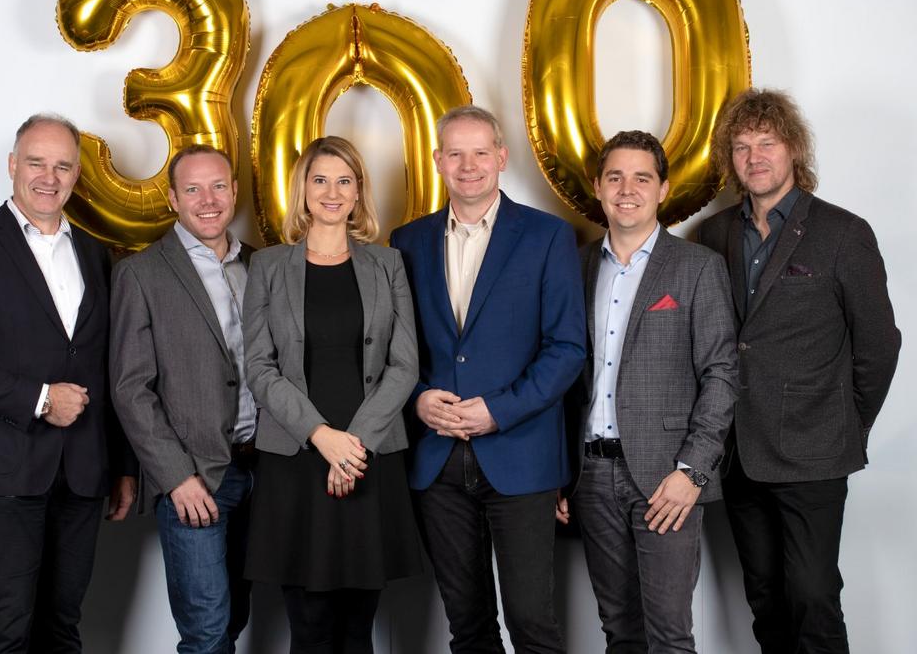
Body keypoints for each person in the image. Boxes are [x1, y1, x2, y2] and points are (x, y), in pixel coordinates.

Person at [0, 113, 137, 653]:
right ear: (13, 165)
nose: (49, 176)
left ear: (76, 175)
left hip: (84, 473)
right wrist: (40, 400)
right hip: (4, 473)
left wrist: (123, 466)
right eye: (36, 162)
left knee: (62, 630)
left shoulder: (95, 252)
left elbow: (109, 367)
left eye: (62, 166)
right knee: (5, 632)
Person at [698, 88, 901, 653]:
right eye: (742, 147)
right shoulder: (715, 234)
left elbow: (879, 345)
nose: (754, 157)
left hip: (814, 450)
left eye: (767, 143)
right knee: (765, 599)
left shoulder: (843, 233)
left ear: (793, 149)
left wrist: (847, 423)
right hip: (739, 450)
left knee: (813, 596)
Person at [390, 105, 586, 654]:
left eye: (480, 152)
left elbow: (567, 348)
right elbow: (392, 348)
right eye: (455, 153)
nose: (468, 165)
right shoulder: (407, 241)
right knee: (468, 626)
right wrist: (418, 399)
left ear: (501, 157)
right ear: (437, 160)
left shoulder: (548, 236)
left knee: (532, 624)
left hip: (521, 456)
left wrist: (499, 410)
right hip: (437, 461)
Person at [559, 130, 738, 653]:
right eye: (615, 177)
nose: (627, 189)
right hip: (590, 476)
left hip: (667, 478)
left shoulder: (697, 266)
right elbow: (562, 375)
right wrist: (558, 474)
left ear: (662, 190)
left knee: (668, 635)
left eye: (642, 178)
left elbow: (722, 374)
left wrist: (692, 472)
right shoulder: (575, 267)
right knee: (619, 631)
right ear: (598, 187)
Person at [243, 135, 423, 653]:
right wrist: (322, 437)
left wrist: (353, 446)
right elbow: (259, 366)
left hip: (369, 458)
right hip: (296, 461)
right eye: (320, 180)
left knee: (358, 628)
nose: (332, 192)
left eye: (344, 181)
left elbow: (405, 364)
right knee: (310, 626)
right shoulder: (268, 266)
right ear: (302, 188)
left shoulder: (387, 264)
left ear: (358, 191)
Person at [110, 144, 256, 653]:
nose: (207, 200)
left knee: (235, 618)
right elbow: (130, 388)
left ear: (234, 191)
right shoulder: (141, 273)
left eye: (218, 186)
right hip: (195, 478)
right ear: (173, 199)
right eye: (192, 189)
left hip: (263, 471)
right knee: (206, 632)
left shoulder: (260, 265)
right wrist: (176, 477)